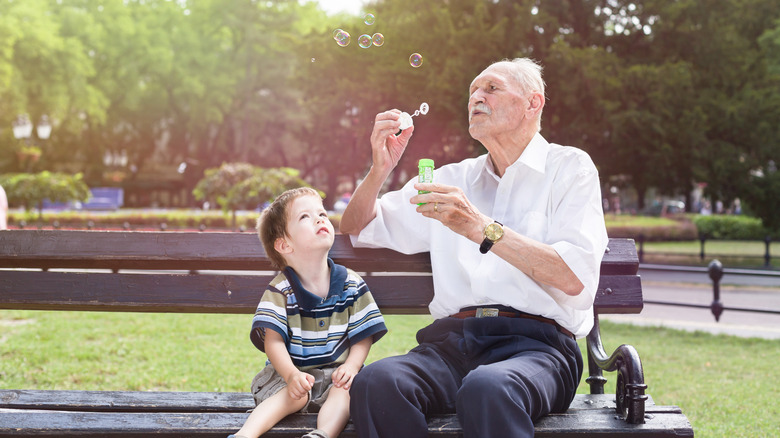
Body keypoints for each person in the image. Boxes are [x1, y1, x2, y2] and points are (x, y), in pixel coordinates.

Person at [340, 58, 609, 437]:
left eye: (491, 88)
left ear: (533, 103)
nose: (476, 98)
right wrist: (379, 169)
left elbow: (574, 277)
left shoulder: (569, 169)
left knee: (489, 388)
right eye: (472, 92)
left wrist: (481, 227)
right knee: (379, 382)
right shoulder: (451, 179)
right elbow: (356, 227)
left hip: (538, 347)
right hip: (452, 344)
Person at [228, 187, 388, 438]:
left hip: (335, 373)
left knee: (344, 389)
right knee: (293, 396)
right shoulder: (281, 289)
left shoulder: (351, 283)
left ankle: (322, 434)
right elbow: (274, 341)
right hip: (287, 374)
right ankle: (245, 435)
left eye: (322, 213)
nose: (320, 218)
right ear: (284, 244)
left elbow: (363, 335)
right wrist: (292, 375)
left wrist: (352, 366)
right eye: (305, 216)